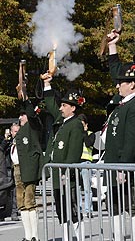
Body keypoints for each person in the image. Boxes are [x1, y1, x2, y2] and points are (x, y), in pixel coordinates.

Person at [104, 31, 135, 240]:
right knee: (113, 206)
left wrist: (124, 166)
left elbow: (132, 139)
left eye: (121, 82)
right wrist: (113, 47)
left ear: (132, 84)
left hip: (125, 166)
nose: (117, 85)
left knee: (132, 206)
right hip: (114, 163)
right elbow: (115, 72)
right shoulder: (125, 100)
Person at [43, 73, 85, 241]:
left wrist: (65, 172)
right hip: (57, 176)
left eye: (64, 105)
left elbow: (74, 153)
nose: (60, 108)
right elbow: (51, 105)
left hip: (67, 177)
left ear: (72, 108)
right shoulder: (64, 122)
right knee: (62, 211)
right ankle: (67, 238)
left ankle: (79, 237)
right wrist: (47, 85)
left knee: (72, 211)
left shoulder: (75, 125)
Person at [12, 96, 44, 241]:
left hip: (29, 169)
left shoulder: (33, 126)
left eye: (22, 114)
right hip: (18, 169)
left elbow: (32, 115)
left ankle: (34, 236)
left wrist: (26, 99)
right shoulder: (20, 131)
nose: (21, 117)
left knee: (30, 202)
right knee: (21, 203)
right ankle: (27, 235)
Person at [0, 123, 20, 221]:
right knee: (5, 191)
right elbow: (1, 150)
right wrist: (6, 140)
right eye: (15, 131)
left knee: (16, 191)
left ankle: (14, 212)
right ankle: (3, 212)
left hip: (17, 167)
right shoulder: (7, 141)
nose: (17, 133)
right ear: (11, 132)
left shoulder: (20, 140)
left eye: (18, 131)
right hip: (7, 168)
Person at [78, 113, 95, 218]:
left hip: (86, 163)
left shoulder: (90, 134)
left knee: (87, 188)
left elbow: (89, 143)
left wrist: (84, 132)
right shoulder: (75, 135)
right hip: (76, 163)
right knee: (78, 188)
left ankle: (89, 210)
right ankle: (79, 209)